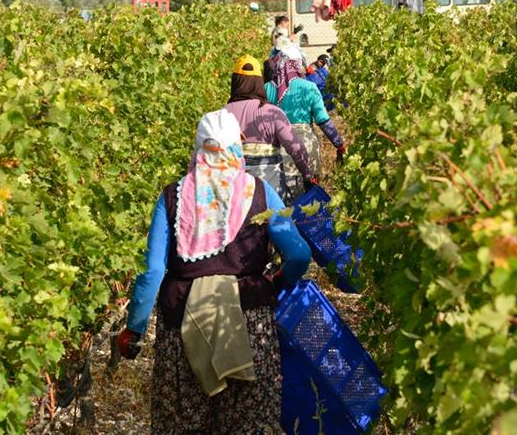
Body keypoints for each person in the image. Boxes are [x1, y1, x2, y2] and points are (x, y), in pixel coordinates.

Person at [114, 109, 312, 434]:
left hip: (183, 325)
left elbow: (153, 270)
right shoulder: (261, 193)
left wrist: (134, 329)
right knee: (248, 423)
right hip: (248, 323)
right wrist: (278, 281)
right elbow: (299, 254)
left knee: (183, 422)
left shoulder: (172, 197)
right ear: (237, 146)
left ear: (198, 147)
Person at [225, 55, 316, 203]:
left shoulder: (222, 115)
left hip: (234, 195)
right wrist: (308, 176)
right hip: (271, 192)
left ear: (235, 82)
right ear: (259, 82)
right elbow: (295, 147)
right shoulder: (272, 113)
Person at [266, 53, 346, 199]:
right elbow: (323, 120)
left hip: (280, 149)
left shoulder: (268, 89)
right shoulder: (309, 87)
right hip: (307, 147)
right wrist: (339, 144)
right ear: (298, 66)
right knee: (310, 198)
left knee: (285, 199)